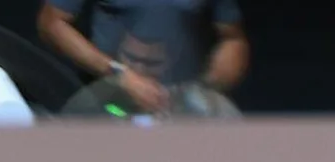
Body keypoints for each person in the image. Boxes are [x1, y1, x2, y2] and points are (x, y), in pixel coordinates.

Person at [38, 0, 247, 116]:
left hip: (180, 105)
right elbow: (52, 23)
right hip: (107, 99)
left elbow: (232, 38)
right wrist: (117, 73)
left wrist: (206, 89)